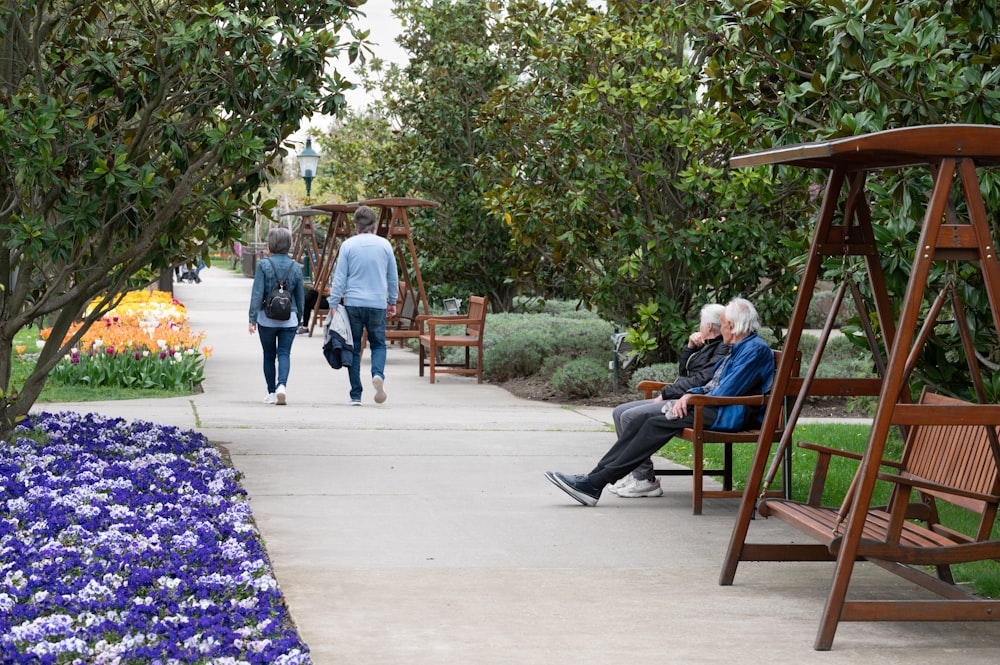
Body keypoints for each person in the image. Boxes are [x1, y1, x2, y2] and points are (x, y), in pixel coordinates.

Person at [545, 298, 774, 506]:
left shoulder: (753, 350)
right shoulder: (741, 348)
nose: (721, 328)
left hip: (727, 414)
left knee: (654, 422)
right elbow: (713, 385)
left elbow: (724, 392)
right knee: (639, 421)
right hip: (713, 406)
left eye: (723, 323)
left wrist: (690, 397)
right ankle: (592, 480)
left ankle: (595, 483)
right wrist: (689, 394)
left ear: (732, 326)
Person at [609, 303, 729, 498]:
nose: (698, 326)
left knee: (630, 417)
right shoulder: (707, 346)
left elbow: (701, 380)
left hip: (691, 403)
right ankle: (639, 475)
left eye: (700, 322)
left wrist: (666, 393)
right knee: (619, 412)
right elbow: (684, 372)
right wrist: (690, 348)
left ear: (708, 326)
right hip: (680, 396)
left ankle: (645, 480)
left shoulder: (722, 349)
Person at [326, 205, 398, 405]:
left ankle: (356, 394)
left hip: (353, 304)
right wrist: (392, 301)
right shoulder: (385, 246)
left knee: (354, 347)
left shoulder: (348, 246)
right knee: (378, 344)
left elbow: (339, 278)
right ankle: (378, 375)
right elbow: (393, 277)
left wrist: (333, 304)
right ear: (374, 225)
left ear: (356, 226)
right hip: (377, 303)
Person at [248, 227, 305, 405]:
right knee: (284, 353)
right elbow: (300, 297)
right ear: (289, 244)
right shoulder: (296, 267)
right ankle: (282, 385)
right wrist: (300, 318)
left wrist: (252, 318)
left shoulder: (263, 265)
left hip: (266, 318)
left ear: (271, 244)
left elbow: (257, 293)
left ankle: (271, 392)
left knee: (268, 355)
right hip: (290, 318)